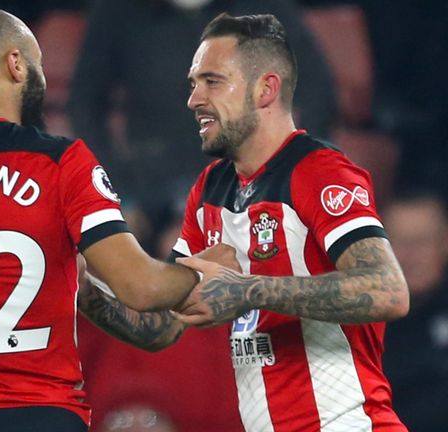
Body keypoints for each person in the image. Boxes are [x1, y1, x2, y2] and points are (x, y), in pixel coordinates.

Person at [0, 6, 217, 432]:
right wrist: (204, 272)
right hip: (42, 414)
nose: (43, 77)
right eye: (39, 63)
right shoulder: (60, 161)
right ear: (16, 64)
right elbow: (140, 287)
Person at [80, 12, 409, 432]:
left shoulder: (320, 172)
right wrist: (87, 294)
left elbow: (388, 289)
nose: (194, 99)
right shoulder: (211, 190)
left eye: (212, 81)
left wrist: (250, 291)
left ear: (266, 89)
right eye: (193, 84)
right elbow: (162, 328)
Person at [68, 0, 338, 224]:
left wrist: (283, 177)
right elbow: (84, 105)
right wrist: (119, 194)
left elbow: (318, 91)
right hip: (148, 184)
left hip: (246, 182)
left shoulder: (265, 8)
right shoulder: (118, 11)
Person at [380, 190, 448, 431]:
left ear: (444, 243)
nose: (408, 257)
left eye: (420, 242)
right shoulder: (361, 320)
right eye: (397, 243)